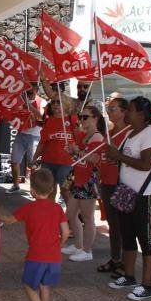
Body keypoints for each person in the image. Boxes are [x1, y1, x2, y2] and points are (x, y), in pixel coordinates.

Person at [0, 168, 69, 301]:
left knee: (29, 285)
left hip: (36, 256)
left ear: (32, 191)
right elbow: (65, 232)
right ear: (51, 190)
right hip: (54, 257)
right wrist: (60, 245)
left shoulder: (29, 208)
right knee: (45, 286)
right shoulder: (57, 208)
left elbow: (8, 220)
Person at [106, 97, 151, 301]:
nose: (126, 114)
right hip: (127, 193)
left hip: (145, 196)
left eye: (130, 110)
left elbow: (146, 164)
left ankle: (146, 285)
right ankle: (128, 275)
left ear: (141, 115)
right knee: (127, 236)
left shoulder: (150, 135)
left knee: (146, 240)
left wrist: (118, 157)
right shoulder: (130, 133)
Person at [61, 106, 106, 262]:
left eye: (85, 117)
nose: (81, 119)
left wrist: (77, 151)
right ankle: (79, 245)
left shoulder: (97, 137)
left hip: (89, 180)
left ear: (95, 118)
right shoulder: (84, 135)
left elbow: (94, 159)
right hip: (79, 178)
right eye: (81, 116)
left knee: (87, 217)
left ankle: (87, 251)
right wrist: (73, 151)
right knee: (71, 214)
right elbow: (80, 155)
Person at [96, 97, 130, 276]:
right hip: (107, 182)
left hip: (122, 183)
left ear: (124, 111)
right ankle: (116, 258)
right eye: (108, 109)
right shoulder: (109, 132)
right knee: (113, 225)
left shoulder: (130, 133)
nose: (109, 112)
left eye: (113, 109)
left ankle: (126, 262)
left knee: (123, 224)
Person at [31, 91, 76, 202]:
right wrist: (35, 157)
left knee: (66, 191)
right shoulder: (49, 121)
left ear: (66, 105)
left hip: (67, 164)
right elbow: (42, 142)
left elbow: (80, 140)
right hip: (48, 162)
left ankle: (72, 217)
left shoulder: (73, 119)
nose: (55, 104)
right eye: (53, 102)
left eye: (58, 102)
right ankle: (51, 215)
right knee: (49, 191)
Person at [7, 87, 44, 193]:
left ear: (36, 90)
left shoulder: (41, 101)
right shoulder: (20, 100)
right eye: (26, 90)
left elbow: (42, 117)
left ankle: (35, 189)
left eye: (30, 91)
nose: (28, 93)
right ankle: (15, 185)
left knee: (33, 164)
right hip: (21, 134)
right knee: (14, 161)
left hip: (35, 135)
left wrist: (30, 107)